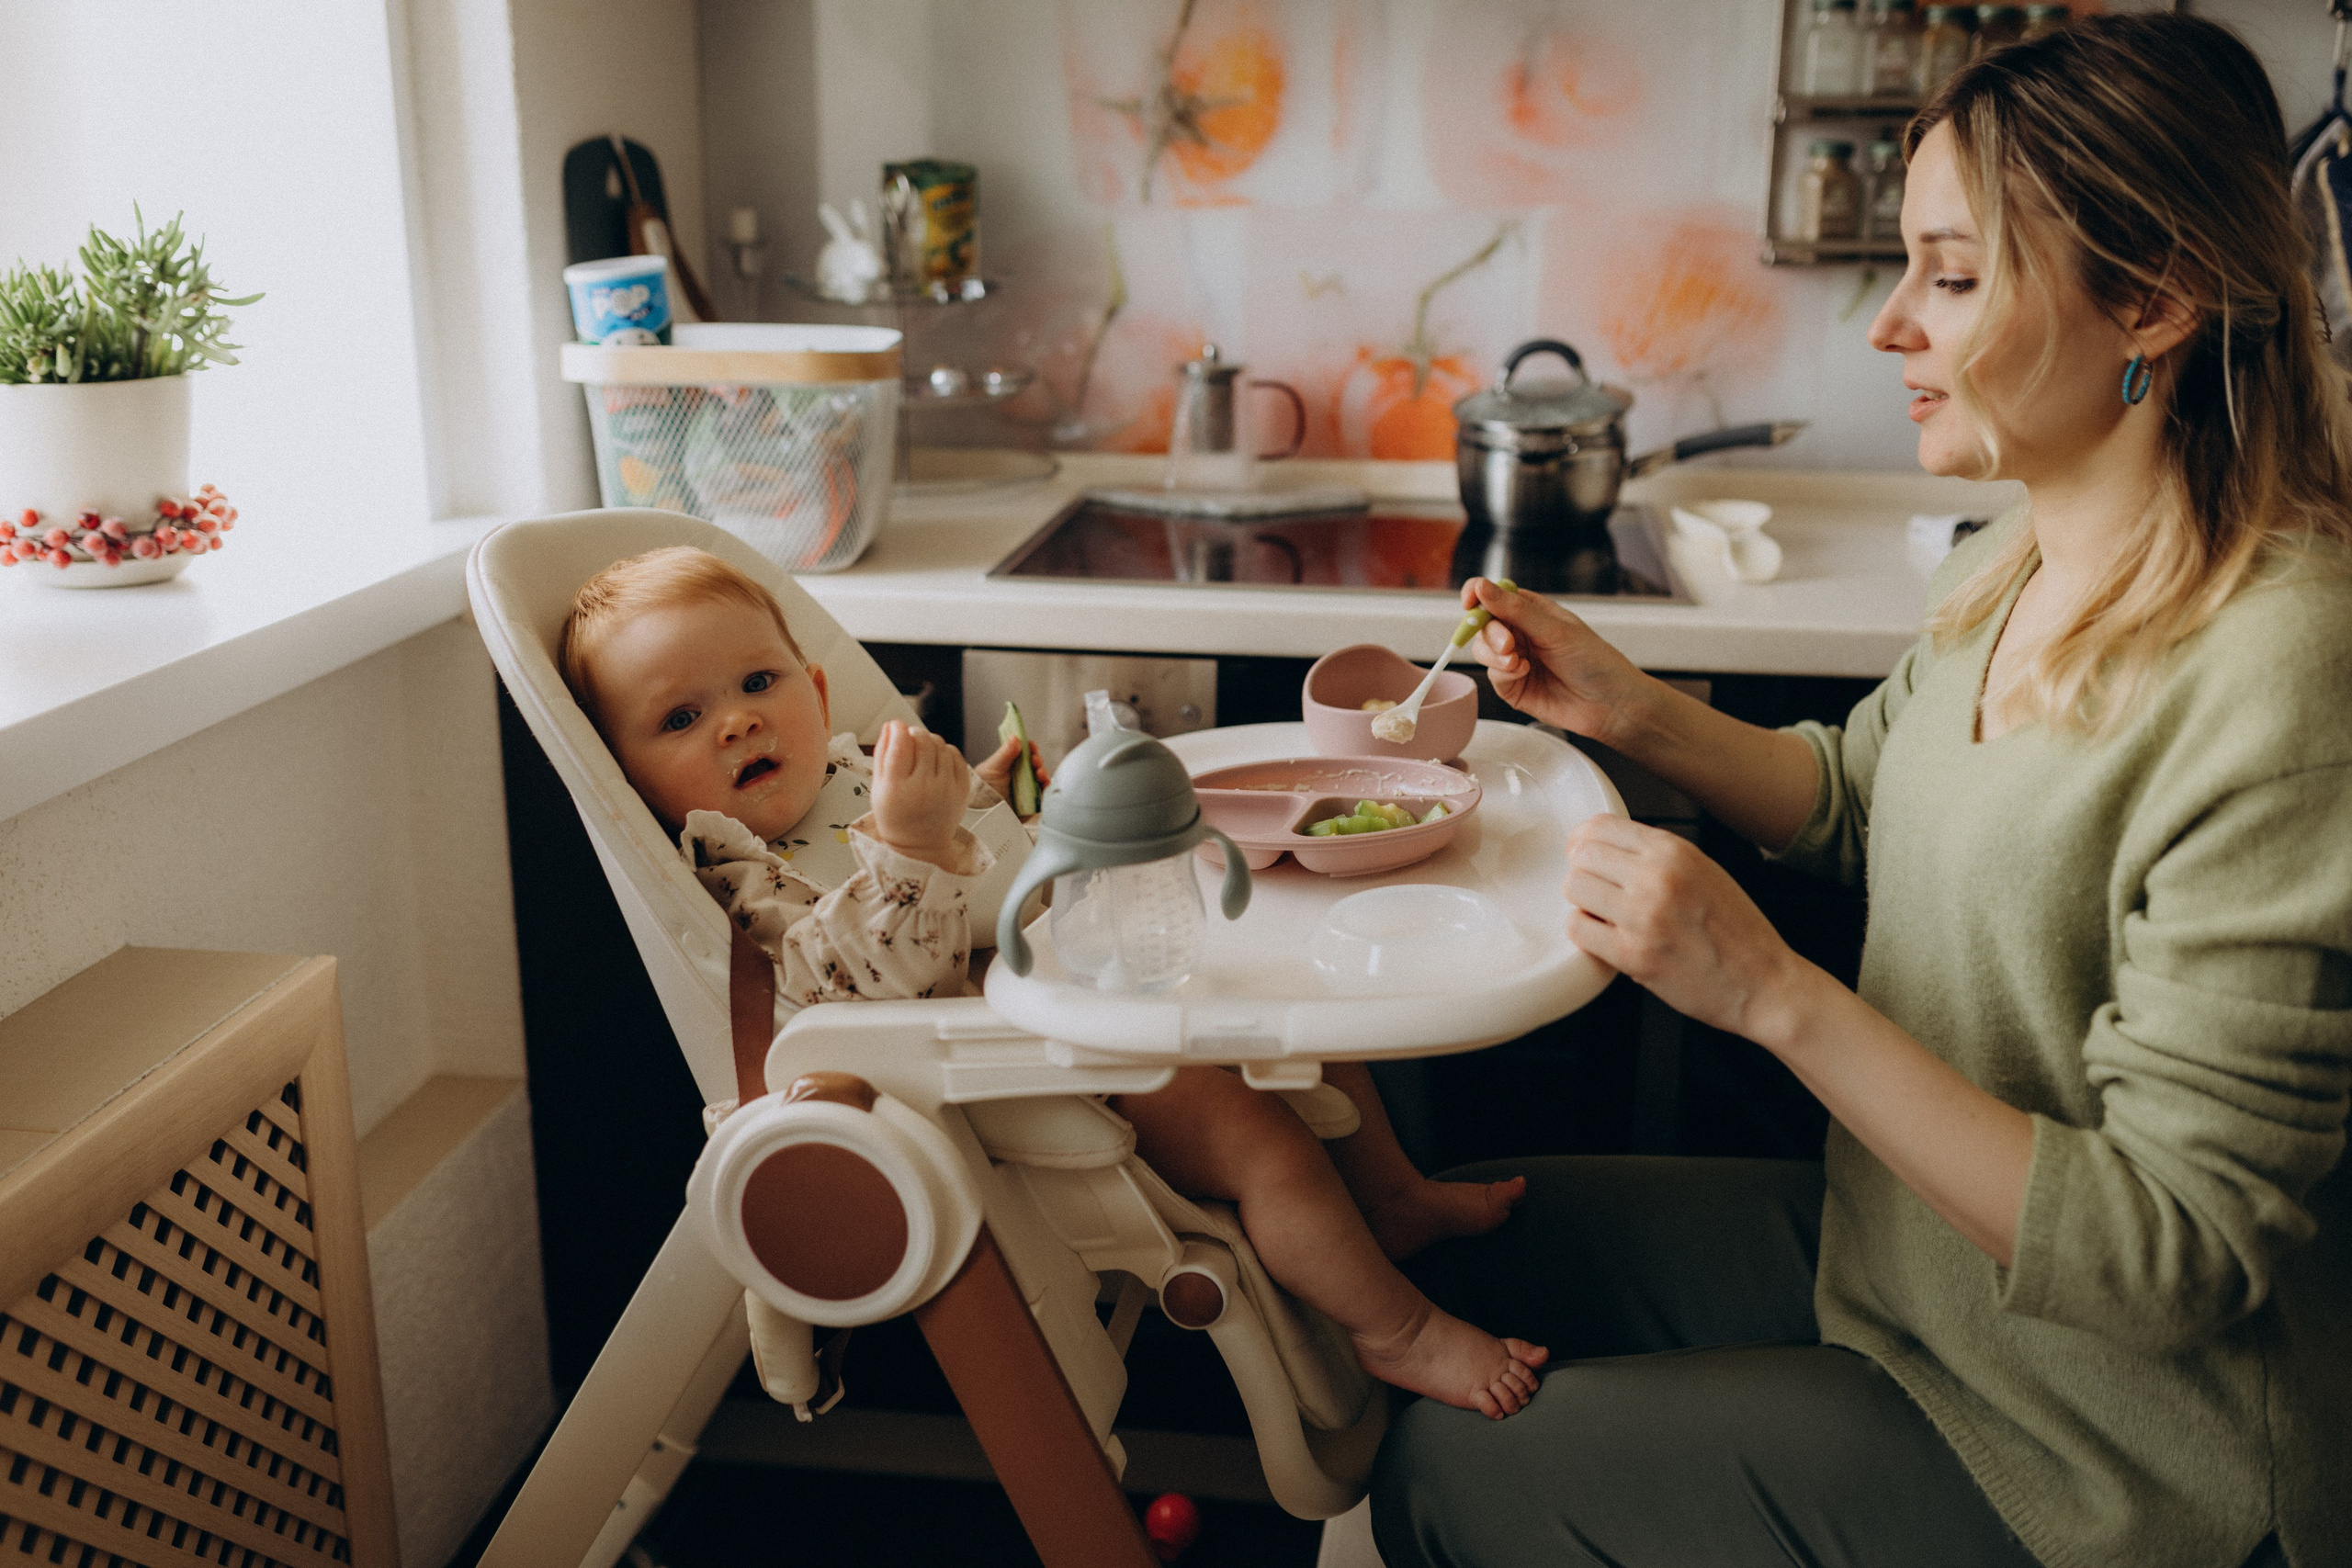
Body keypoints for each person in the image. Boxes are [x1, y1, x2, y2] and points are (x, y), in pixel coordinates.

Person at [1374, 14, 2352, 1568]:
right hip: (1909, 1267)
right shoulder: (2018, 554)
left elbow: (2172, 1253)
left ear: (2154, 298)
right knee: (1436, 1238)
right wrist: (1630, 708)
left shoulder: (2281, 674)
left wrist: (1769, 993)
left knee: (1453, 1467)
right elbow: (1858, 789)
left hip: (2118, 1448)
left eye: (1951, 277)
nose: (1890, 324)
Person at [560, 546, 1549, 1416]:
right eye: (681, 716)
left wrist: (985, 796)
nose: (736, 722)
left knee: (1303, 1016)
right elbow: (850, 985)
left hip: (1081, 971)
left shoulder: (852, 767)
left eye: (756, 682)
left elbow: (977, 860)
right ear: (631, 779)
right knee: (1265, 1145)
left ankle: (1392, 1198)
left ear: (816, 695)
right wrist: (912, 843)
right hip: (1013, 1062)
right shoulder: (740, 875)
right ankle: (1400, 1333)